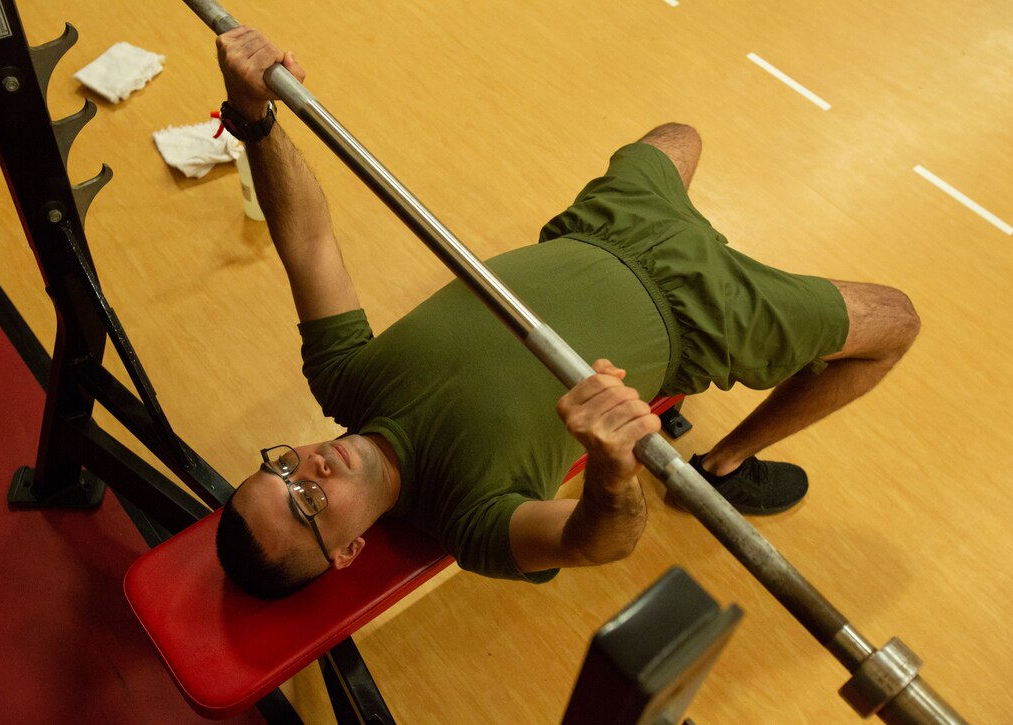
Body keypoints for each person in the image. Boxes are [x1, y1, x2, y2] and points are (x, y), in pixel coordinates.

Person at [213, 28, 920, 599]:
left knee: (680, 135)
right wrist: (612, 470)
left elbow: (307, 242)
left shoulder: (344, 378)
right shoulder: (468, 520)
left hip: (606, 230)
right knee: (897, 321)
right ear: (347, 552)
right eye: (307, 504)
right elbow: (595, 543)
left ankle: (686, 241)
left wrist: (254, 117)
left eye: (284, 468)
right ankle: (726, 462)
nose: (312, 468)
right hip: (709, 315)